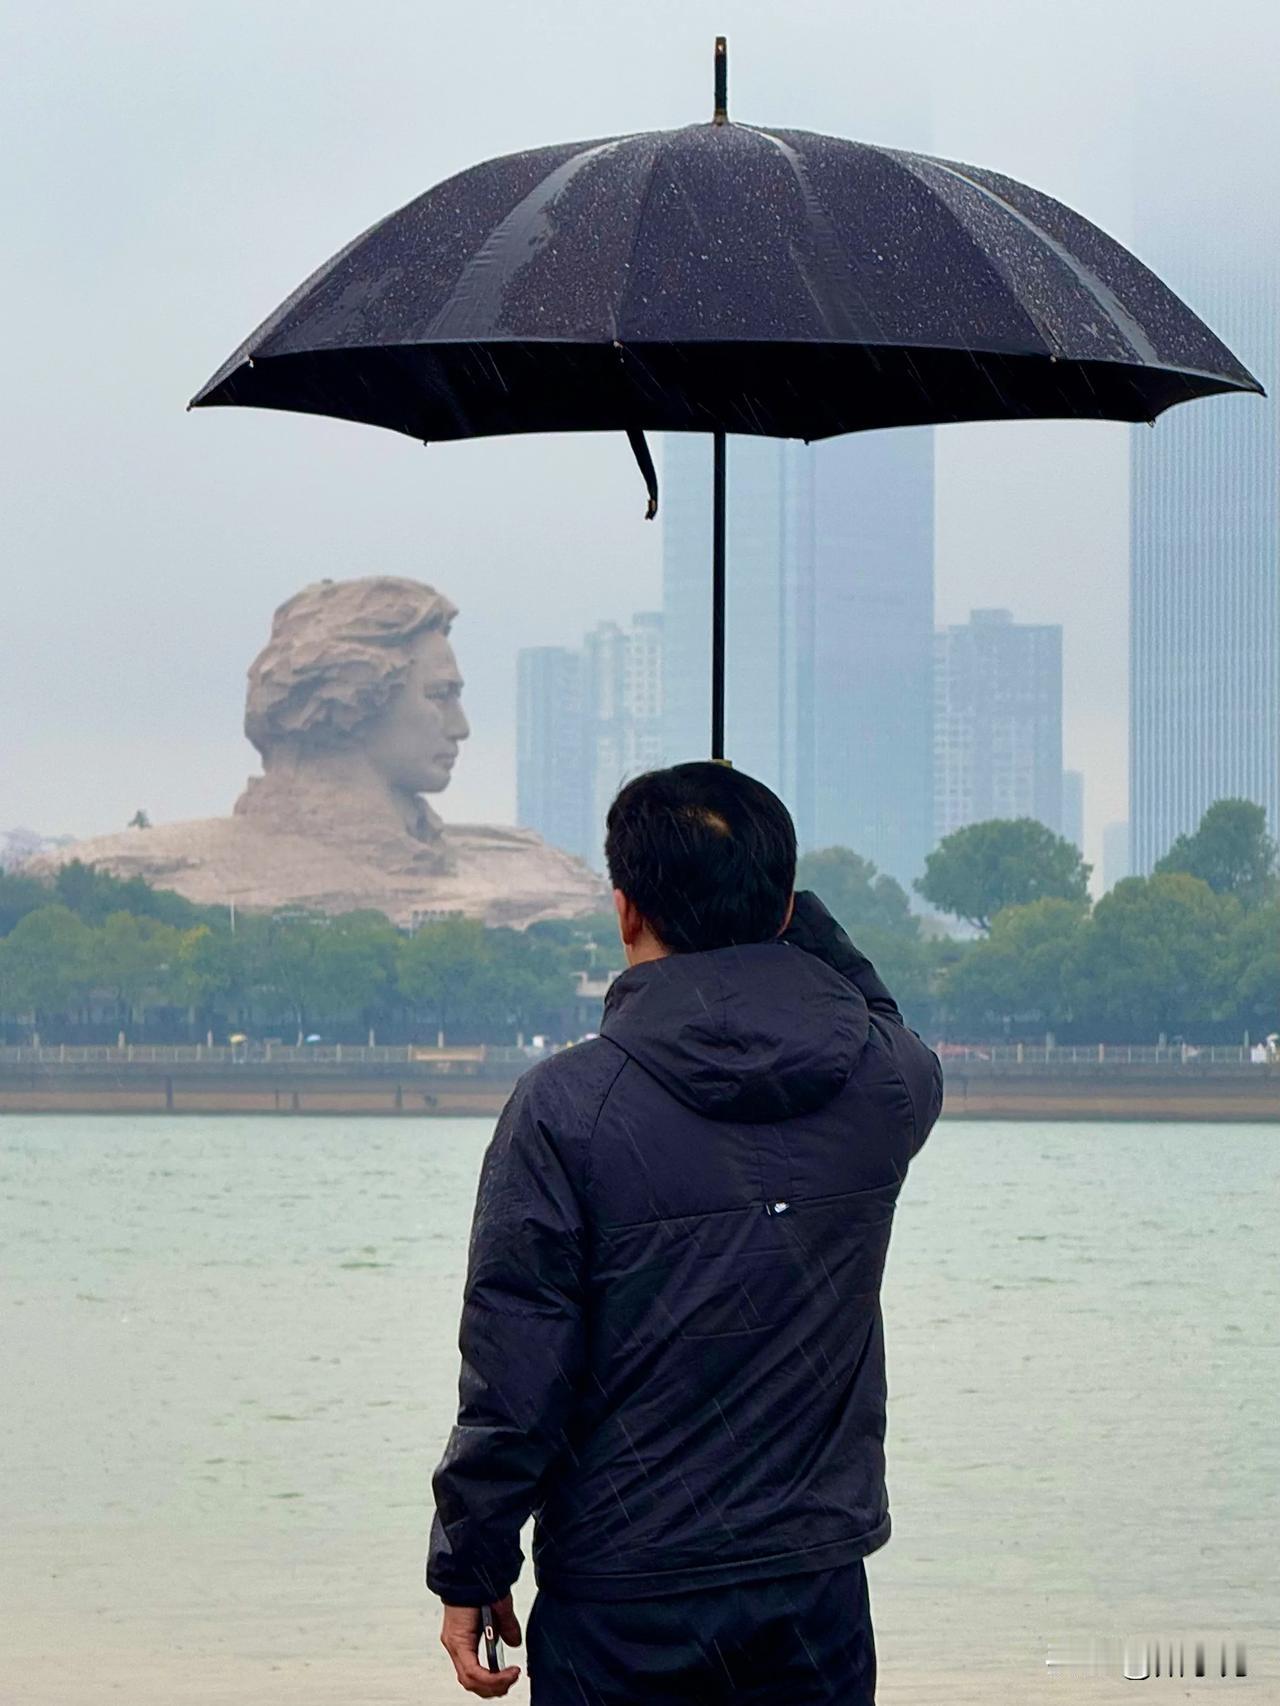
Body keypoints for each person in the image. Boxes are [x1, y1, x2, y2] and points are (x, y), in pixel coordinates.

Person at [427, 762, 943, 1703]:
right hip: (813, 1589)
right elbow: (877, 1010)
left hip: (625, 1600)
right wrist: (790, 914)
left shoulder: (564, 1108)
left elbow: (515, 1372)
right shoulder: (884, 1084)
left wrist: (473, 1561)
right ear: (787, 907)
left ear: (625, 911)